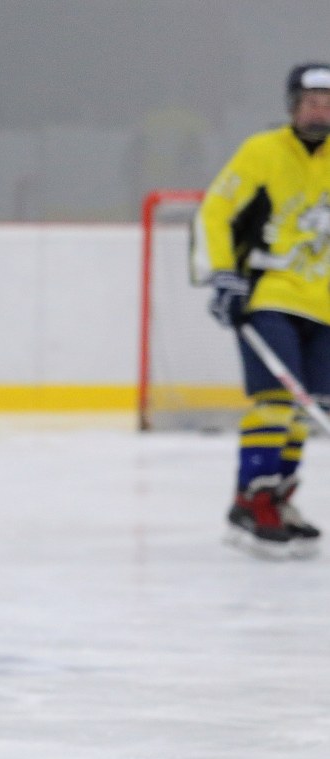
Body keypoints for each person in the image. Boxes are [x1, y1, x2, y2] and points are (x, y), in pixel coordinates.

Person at [195, 63, 330, 556]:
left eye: (329, 102)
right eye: (312, 102)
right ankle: (251, 500)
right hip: (270, 295)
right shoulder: (263, 151)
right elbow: (215, 210)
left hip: (325, 305)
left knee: (308, 407)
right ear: (294, 106)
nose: (321, 111)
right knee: (276, 398)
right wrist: (223, 274)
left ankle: (278, 493)